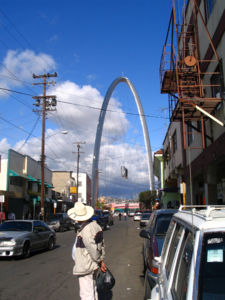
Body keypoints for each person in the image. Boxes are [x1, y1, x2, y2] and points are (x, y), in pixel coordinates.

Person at [68, 202, 106, 300]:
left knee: (86, 294)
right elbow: (101, 245)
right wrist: (101, 260)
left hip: (86, 265)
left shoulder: (85, 230)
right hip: (92, 264)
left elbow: (91, 248)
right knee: (92, 290)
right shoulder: (95, 226)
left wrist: (99, 260)